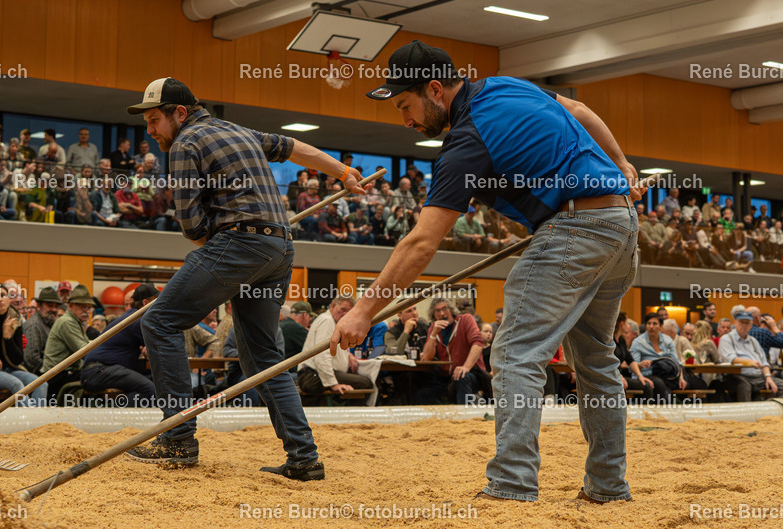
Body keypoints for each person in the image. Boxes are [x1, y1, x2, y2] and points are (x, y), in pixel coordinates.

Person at [331, 40, 641, 504]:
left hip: (576, 229)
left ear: (435, 89)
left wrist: (363, 311)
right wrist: (620, 162)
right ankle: (608, 487)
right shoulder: (505, 86)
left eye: (405, 105)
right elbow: (579, 108)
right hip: (620, 224)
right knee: (595, 360)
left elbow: (419, 244)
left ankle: (513, 483)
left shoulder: (465, 142)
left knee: (515, 353)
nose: (406, 121)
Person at [125, 77, 362, 479]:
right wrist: (343, 172)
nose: (149, 131)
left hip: (239, 244)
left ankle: (178, 439)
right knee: (264, 357)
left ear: (178, 113)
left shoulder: (184, 144)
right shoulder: (238, 130)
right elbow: (293, 147)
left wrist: (220, 261)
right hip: (280, 247)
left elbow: (192, 225)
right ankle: (304, 458)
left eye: (153, 120)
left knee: (159, 321)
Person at [79, 284, 158, 406]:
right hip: (98, 371)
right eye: (156, 302)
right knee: (149, 389)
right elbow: (158, 348)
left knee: (153, 378)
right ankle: (108, 411)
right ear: (145, 302)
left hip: (99, 370)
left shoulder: (131, 317)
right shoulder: (137, 320)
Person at [297, 297, 377, 406]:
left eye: (349, 312)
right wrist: (333, 384)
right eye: (343, 310)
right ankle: (355, 417)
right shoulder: (327, 321)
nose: (345, 314)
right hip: (313, 376)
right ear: (333, 305)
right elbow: (321, 355)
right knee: (365, 383)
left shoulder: (332, 321)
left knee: (363, 381)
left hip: (317, 374)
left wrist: (348, 355)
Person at [41, 284, 94, 395]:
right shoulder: (67, 322)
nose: (87, 311)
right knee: (96, 377)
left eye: (88, 307)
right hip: (56, 376)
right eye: (82, 307)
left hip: (63, 373)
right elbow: (84, 351)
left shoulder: (75, 321)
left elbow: (86, 345)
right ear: (70, 306)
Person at [718, 310, 778, 401]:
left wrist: (768, 377)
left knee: (780, 385)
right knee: (744, 386)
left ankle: (776, 413)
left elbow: (764, 362)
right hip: (737, 376)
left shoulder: (753, 341)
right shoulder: (726, 339)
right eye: (742, 322)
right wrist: (750, 362)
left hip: (759, 377)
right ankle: (747, 414)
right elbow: (732, 359)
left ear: (751, 324)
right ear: (735, 322)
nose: (744, 325)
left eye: (748, 323)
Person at [22, 287, 61, 374]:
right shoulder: (33, 325)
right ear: (38, 307)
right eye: (50, 306)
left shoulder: (49, 323)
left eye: (56, 306)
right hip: (38, 374)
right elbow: (31, 360)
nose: (54, 310)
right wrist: (52, 371)